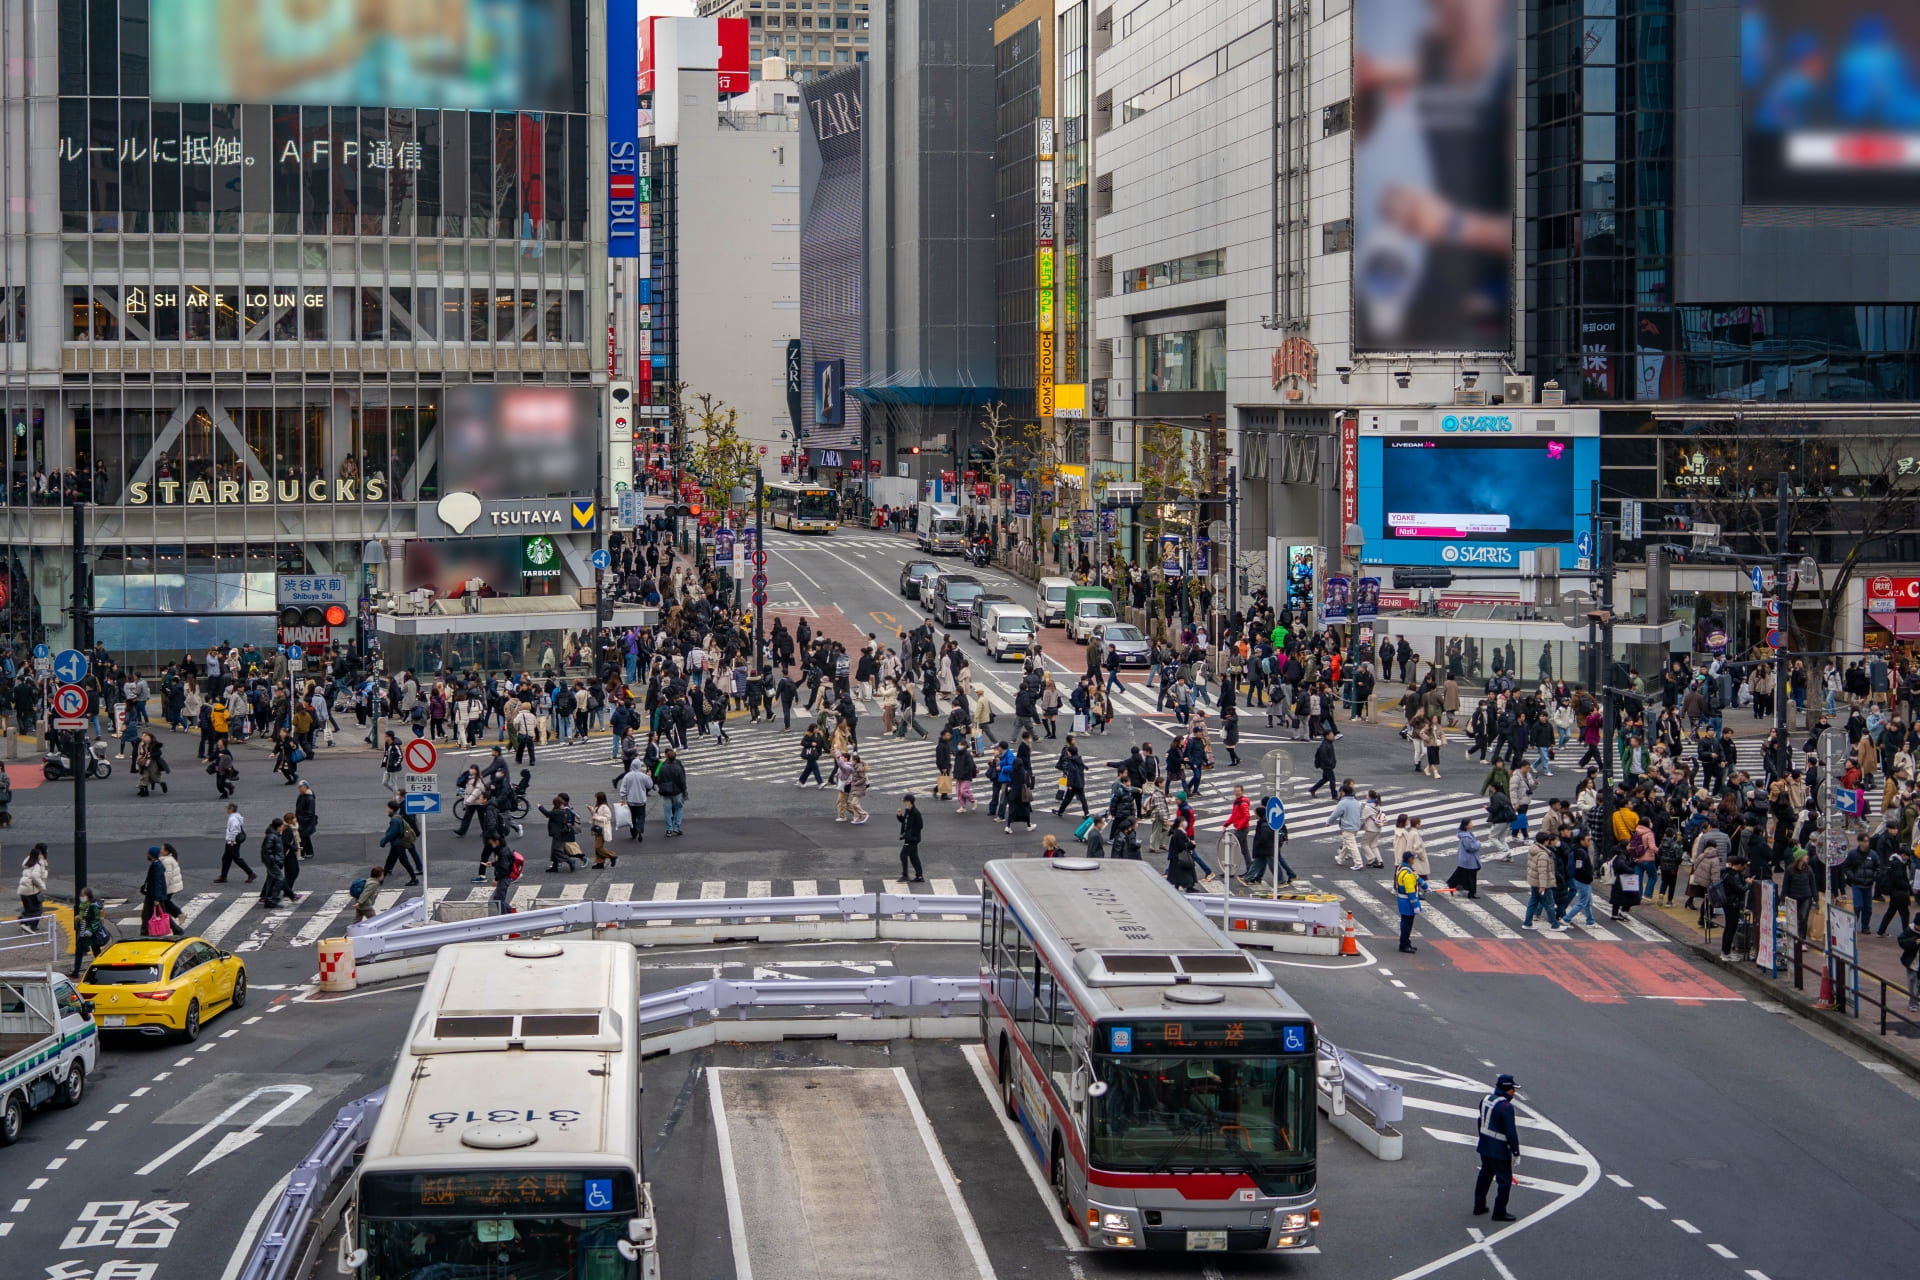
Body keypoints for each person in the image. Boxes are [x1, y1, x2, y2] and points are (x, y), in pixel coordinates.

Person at [1473, 1074, 1523, 1222]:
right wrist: (1515, 1151)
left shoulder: (1486, 1099)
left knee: (1485, 1174)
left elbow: (1480, 1121)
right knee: (1504, 1181)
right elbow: (1511, 1132)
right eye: (1513, 1089)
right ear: (1507, 1089)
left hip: (1484, 1145)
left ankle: (1479, 1205)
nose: (1514, 1092)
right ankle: (1499, 1211)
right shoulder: (1506, 1107)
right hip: (1499, 1150)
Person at [377, 800, 422, 885]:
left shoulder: (395, 820)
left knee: (404, 861)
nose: (387, 809)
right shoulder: (397, 817)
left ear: (391, 809)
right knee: (389, 861)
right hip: (396, 844)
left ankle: (414, 879)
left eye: (388, 807)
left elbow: (392, 833)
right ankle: (381, 880)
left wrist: (383, 841)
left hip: (398, 844)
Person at [539, 793, 584, 872]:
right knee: (554, 850)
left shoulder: (557, 812)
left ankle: (569, 860)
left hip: (558, 834)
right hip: (560, 833)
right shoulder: (562, 811)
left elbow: (547, 813)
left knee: (557, 850)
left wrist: (540, 806)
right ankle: (555, 866)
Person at [70, 886, 107, 978]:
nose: (81, 898)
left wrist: (89, 930)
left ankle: (101, 969)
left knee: (96, 952)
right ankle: (76, 971)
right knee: (79, 951)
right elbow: (84, 917)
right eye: (81, 896)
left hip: (91, 934)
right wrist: (79, 918)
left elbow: (95, 920)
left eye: (83, 896)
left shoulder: (93, 906)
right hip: (83, 932)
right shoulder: (83, 906)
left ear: (88, 896)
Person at [218, 803, 256, 883]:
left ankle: (251, 873)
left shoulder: (233, 819)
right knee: (226, 858)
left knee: (236, 859)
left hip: (232, 842)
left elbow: (234, 830)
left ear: (231, 809)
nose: (226, 810)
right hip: (230, 841)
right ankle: (223, 876)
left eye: (227, 808)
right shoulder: (235, 817)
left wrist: (232, 841)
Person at [618, 756, 652, 842]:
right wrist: (649, 777)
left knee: (632, 817)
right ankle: (640, 828)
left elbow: (623, 788)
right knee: (641, 816)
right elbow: (649, 785)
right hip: (641, 800)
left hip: (631, 800)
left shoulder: (627, 776)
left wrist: (623, 798)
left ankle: (633, 833)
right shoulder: (643, 776)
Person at [656, 748, 688, 836]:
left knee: (667, 811)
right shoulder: (678, 768)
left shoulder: (663, 767)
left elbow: (659, 780)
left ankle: (668, 829)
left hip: (666, 791)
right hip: (677, 791)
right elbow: (682, 781)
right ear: (675, 758)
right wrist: (684, 791)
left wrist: (661, 787)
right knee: (678, 808)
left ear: (667, 757)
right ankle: (676, 827)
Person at [1447, 819, 1483, 898]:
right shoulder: (1466, 837)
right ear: (1466, 825)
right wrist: (1478, 844)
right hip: (1469, 860)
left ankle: (1453, 885)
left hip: (1466, 860)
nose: (1472, 824)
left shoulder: (1466, 834)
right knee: (1471, 876)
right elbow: (1470, 847)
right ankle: (1471, 892)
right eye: (1470, 823)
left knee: (1461, 874)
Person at [1395, 850, 1422, 954]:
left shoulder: (1403, 869)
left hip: (1403, 902)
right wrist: (1415, 906)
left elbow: (1417, 878)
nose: (1414, 860)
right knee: (1406, 925)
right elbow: (1411, 892)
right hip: (1407, 903)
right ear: (1409, 859)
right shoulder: (1408, 874)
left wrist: (1425, 886)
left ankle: (1407, 943)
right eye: (1413, 858)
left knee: (1406, 924)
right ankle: (1404, 945)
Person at [17, 844, 49, 926]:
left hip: (23, 889)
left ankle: (25, 922)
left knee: (28, 909)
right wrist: (42, 886)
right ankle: (27, 924)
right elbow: (36, 876)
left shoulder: (29, 859)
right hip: (32, 889)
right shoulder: (39, 862)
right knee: (37, 910)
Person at [897, 793, 926, 882]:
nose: (904, 803)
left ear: (909, 802)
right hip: (909, 838)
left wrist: (910, 835)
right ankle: (919, 876)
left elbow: (920, 825)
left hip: (912, 839)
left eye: (905, 801)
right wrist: (899, 816)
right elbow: (905, 822)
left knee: (903, 855)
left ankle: (905, 875)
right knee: (913, 857)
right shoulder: (908, 811)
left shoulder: (916, 813)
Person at [589, 792, 618, 869]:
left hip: (602, 829)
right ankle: (600, 862)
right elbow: (595, 815)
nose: (595, 799)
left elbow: (608, 818)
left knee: (598, 847)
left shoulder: (604, 807)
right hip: (598, 828)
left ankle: (612, 856)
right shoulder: (598, 806)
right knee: (597, 847)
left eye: (596, 797)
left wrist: (597, 818)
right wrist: (591, 810)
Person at [1308, 730, 1338, 796]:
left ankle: (1313, 789)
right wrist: (1330, 763)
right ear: (1327, 736)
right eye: (1331, 734)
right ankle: (1334, 795)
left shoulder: (1328, 743)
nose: (1333, 735)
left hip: (1327, 765)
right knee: (1332, 780)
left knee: (1325, 779)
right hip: (1327, 766)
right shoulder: (1324, 745)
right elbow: (1324, 757)